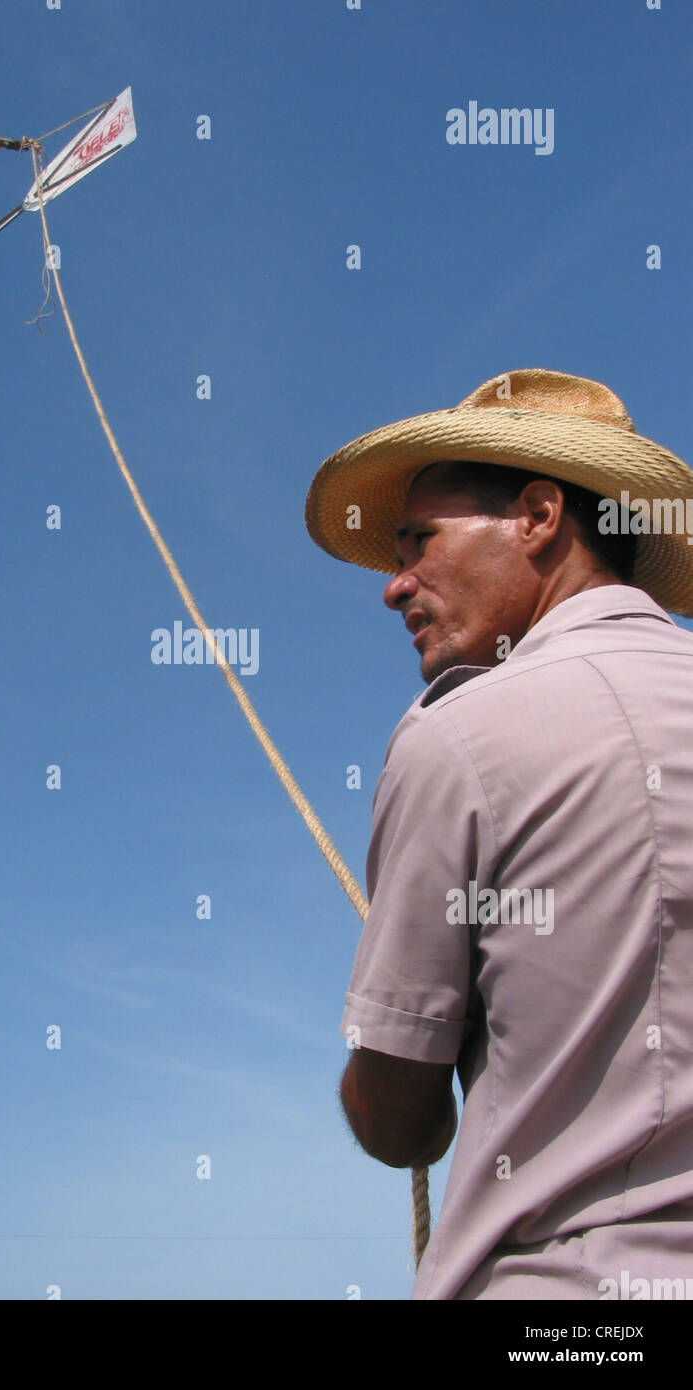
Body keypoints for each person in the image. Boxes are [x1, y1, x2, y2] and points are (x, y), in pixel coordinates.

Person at [305, 368, 693, 1300]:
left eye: (418, 542)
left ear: (537, 515)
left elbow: (404, 1124)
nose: (394, 587)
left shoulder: (457, 735)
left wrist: (394, 1049)